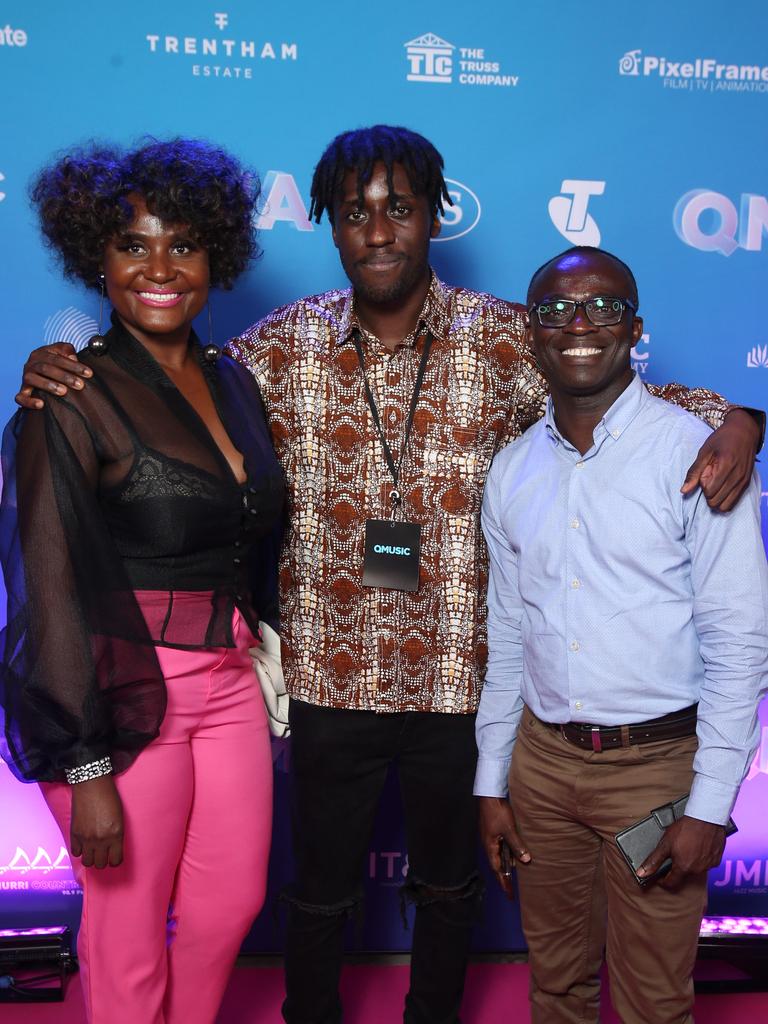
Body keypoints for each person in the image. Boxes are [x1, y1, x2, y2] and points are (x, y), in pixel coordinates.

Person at [15, 126, 765, 1024]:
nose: (379, 231)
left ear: (431, 220)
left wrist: (742, 417)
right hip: (330, 680)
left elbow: (612, 385)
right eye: (357, 212)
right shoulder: (275, 351)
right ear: (330, 226)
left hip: (462, 682)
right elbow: (166, 388)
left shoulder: (503, 337)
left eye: (399, 210)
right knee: (318, 894)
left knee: (451, 890)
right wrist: (59, 366)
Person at [0, 139, 285, 1024]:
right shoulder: (70, 398)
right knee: (125, 930)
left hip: (231, 683)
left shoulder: (233, 380)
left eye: (184, 245)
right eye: (134, 246)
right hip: (124, 693)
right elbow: (45, 593)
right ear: (98, 257)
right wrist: (85, 765)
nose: (160, 269)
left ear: (217, 259)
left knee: (228, 905)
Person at [475, 246, 768, 1024]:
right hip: (541, 770)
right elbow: (508, 637)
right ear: (531, 332)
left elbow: (741, 643)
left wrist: (709, 806)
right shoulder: (510, 473)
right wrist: (490, 782)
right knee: (557, 986)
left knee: (651, 1003)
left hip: (657, 771)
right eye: (556, 310)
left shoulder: (692, 454)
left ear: (634, 328)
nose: (579, 325)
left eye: (603, 307)